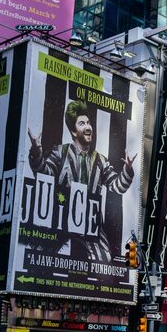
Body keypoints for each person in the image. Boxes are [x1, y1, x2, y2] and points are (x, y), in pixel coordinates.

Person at [27, 100, 137, 262]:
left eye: (88, 122)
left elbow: (117, 187)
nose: (88, 127)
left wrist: (127, 170)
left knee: (104, 259)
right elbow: (45, 173)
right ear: (73, 131)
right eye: (82, 123)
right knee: (40, 257)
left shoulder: (100, 160)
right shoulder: (60, 153)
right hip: (61, 221)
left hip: (90, 224)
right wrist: (36, 153)